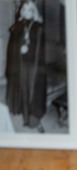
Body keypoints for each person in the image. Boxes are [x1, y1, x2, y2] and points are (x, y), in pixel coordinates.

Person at [5, 0, 47, 133]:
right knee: (22, 89)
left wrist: (27, 49)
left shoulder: (38, 27)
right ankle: (24, 115)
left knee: (32, 91)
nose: (25, 12)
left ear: (33, 12)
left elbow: (40, 51)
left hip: (33, 66)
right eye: (23, 9)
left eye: (28, 9)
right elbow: (12, 47)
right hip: (20, 64)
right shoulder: (18, 25)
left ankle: (34, 120)